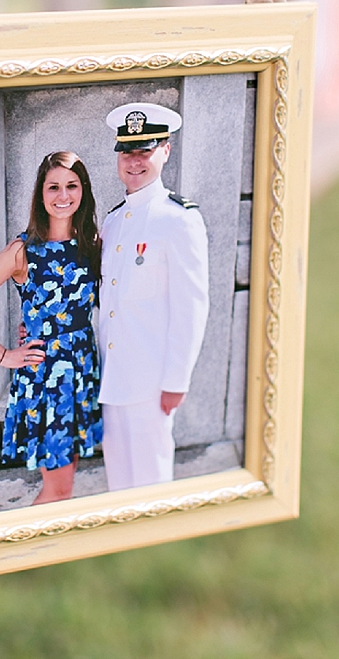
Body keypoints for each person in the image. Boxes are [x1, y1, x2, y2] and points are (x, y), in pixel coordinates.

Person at [0, 152, 102, 504]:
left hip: (83, 371)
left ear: (83, 191)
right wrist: (4, 355)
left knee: (68, 476)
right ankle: (24, 551)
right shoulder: (23, 251)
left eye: (71, 186)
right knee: (59, 488)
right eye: (54, 187)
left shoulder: (91, 244)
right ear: (40, 194)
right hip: (47, 378)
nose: (63, 196)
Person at [99, 103, 209, 491]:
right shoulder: (112, 221)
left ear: (165, 150)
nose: (134, 161)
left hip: (151, 383)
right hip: (111, 379)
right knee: (119, 483)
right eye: (127, 151)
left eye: (144, 150)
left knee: (150, 485)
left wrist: (176, 380)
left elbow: (191, 306)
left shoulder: (179, 219)